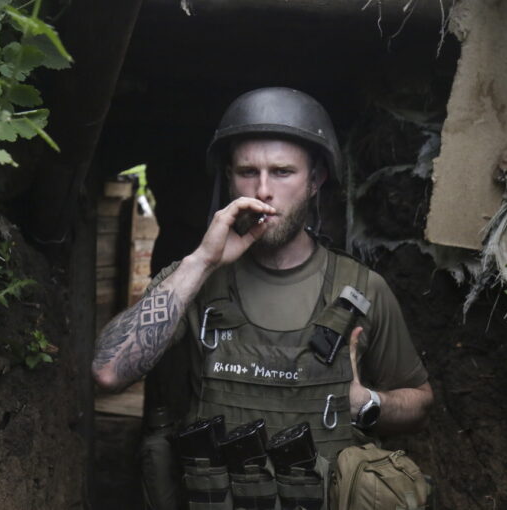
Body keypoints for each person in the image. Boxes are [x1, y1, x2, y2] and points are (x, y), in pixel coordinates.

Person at [92, 87, 433, 491]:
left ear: (315, 180)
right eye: (247, 172)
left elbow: (420, 402)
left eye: (283, 172)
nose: (263, 190)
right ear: (229, 179)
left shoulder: (362, 289)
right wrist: (202, 261)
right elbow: (109, 372)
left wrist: (369, 404)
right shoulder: (195, 278)